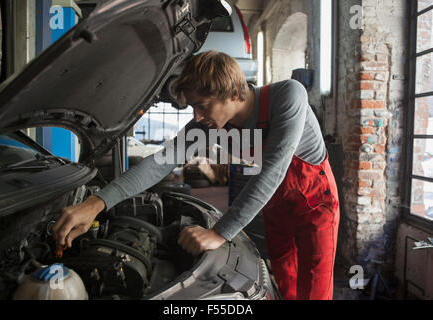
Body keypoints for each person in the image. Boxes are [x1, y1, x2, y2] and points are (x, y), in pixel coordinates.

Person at [52, 50, 340, 300]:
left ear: (233, 93)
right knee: (286, 283)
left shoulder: (288, 96)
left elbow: (273, 170)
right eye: (194, 107)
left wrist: (219, 232)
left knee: (314, 289)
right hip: (273, 203)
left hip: (314, 204)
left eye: (203, 106)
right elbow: (159, 163)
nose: (197, 117)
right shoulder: (209, 124)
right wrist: (95, 204)